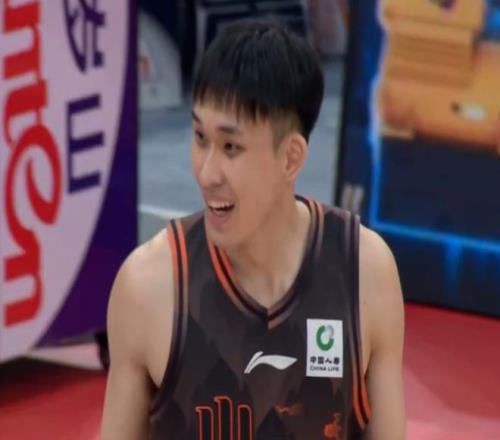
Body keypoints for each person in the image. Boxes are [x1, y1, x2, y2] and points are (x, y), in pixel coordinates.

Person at [100, 19, 406, 440]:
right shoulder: (149, 287)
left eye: (231, 147)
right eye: (200, 137)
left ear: (291, 158)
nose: (207, 173)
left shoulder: (365, 274)